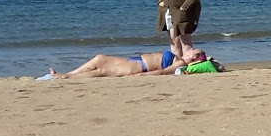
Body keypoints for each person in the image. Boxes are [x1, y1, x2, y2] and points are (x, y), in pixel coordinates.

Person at [45, 49, 211, 79]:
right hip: (134, 60)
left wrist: (140, 76)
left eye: (191, 52)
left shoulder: (180, 62)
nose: (187, 51)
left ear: (194, 58)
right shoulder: (179, 58)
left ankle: (66, 77)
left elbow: (162, 72)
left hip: (139, 67)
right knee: (99, 58)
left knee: (101, 71)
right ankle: (71, 73)